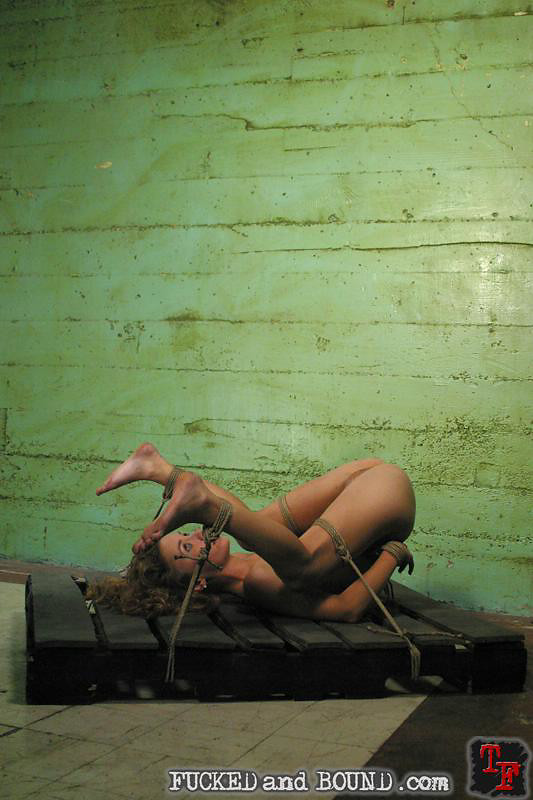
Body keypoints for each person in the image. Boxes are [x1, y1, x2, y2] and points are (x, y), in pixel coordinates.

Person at [88, 443, 416, 624]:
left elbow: (345, 608)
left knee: (292, 558)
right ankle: (162, 471)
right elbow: (346, 607)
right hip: (374, 482)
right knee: (261, 535)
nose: (199, 537)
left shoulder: (258, 569)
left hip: (383, 492)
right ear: (197, 585)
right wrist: (390, 555)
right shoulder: (259, 579)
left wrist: (392, 552)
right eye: (187, 547)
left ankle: (178, 484)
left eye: (188, 535)